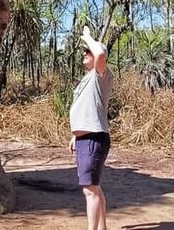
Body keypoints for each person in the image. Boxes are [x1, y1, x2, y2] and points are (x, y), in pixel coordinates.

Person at [69, 25, 114, 230]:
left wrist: (88, 37)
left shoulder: (101, 74)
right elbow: (86, 109)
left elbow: (101, 52)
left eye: (87, 51)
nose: (84, 53)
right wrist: (75, 135)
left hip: (94, 138)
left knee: (89, 190)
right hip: (85, 138)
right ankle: (102, 227)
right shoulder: (89, 78)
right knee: (94, 187)